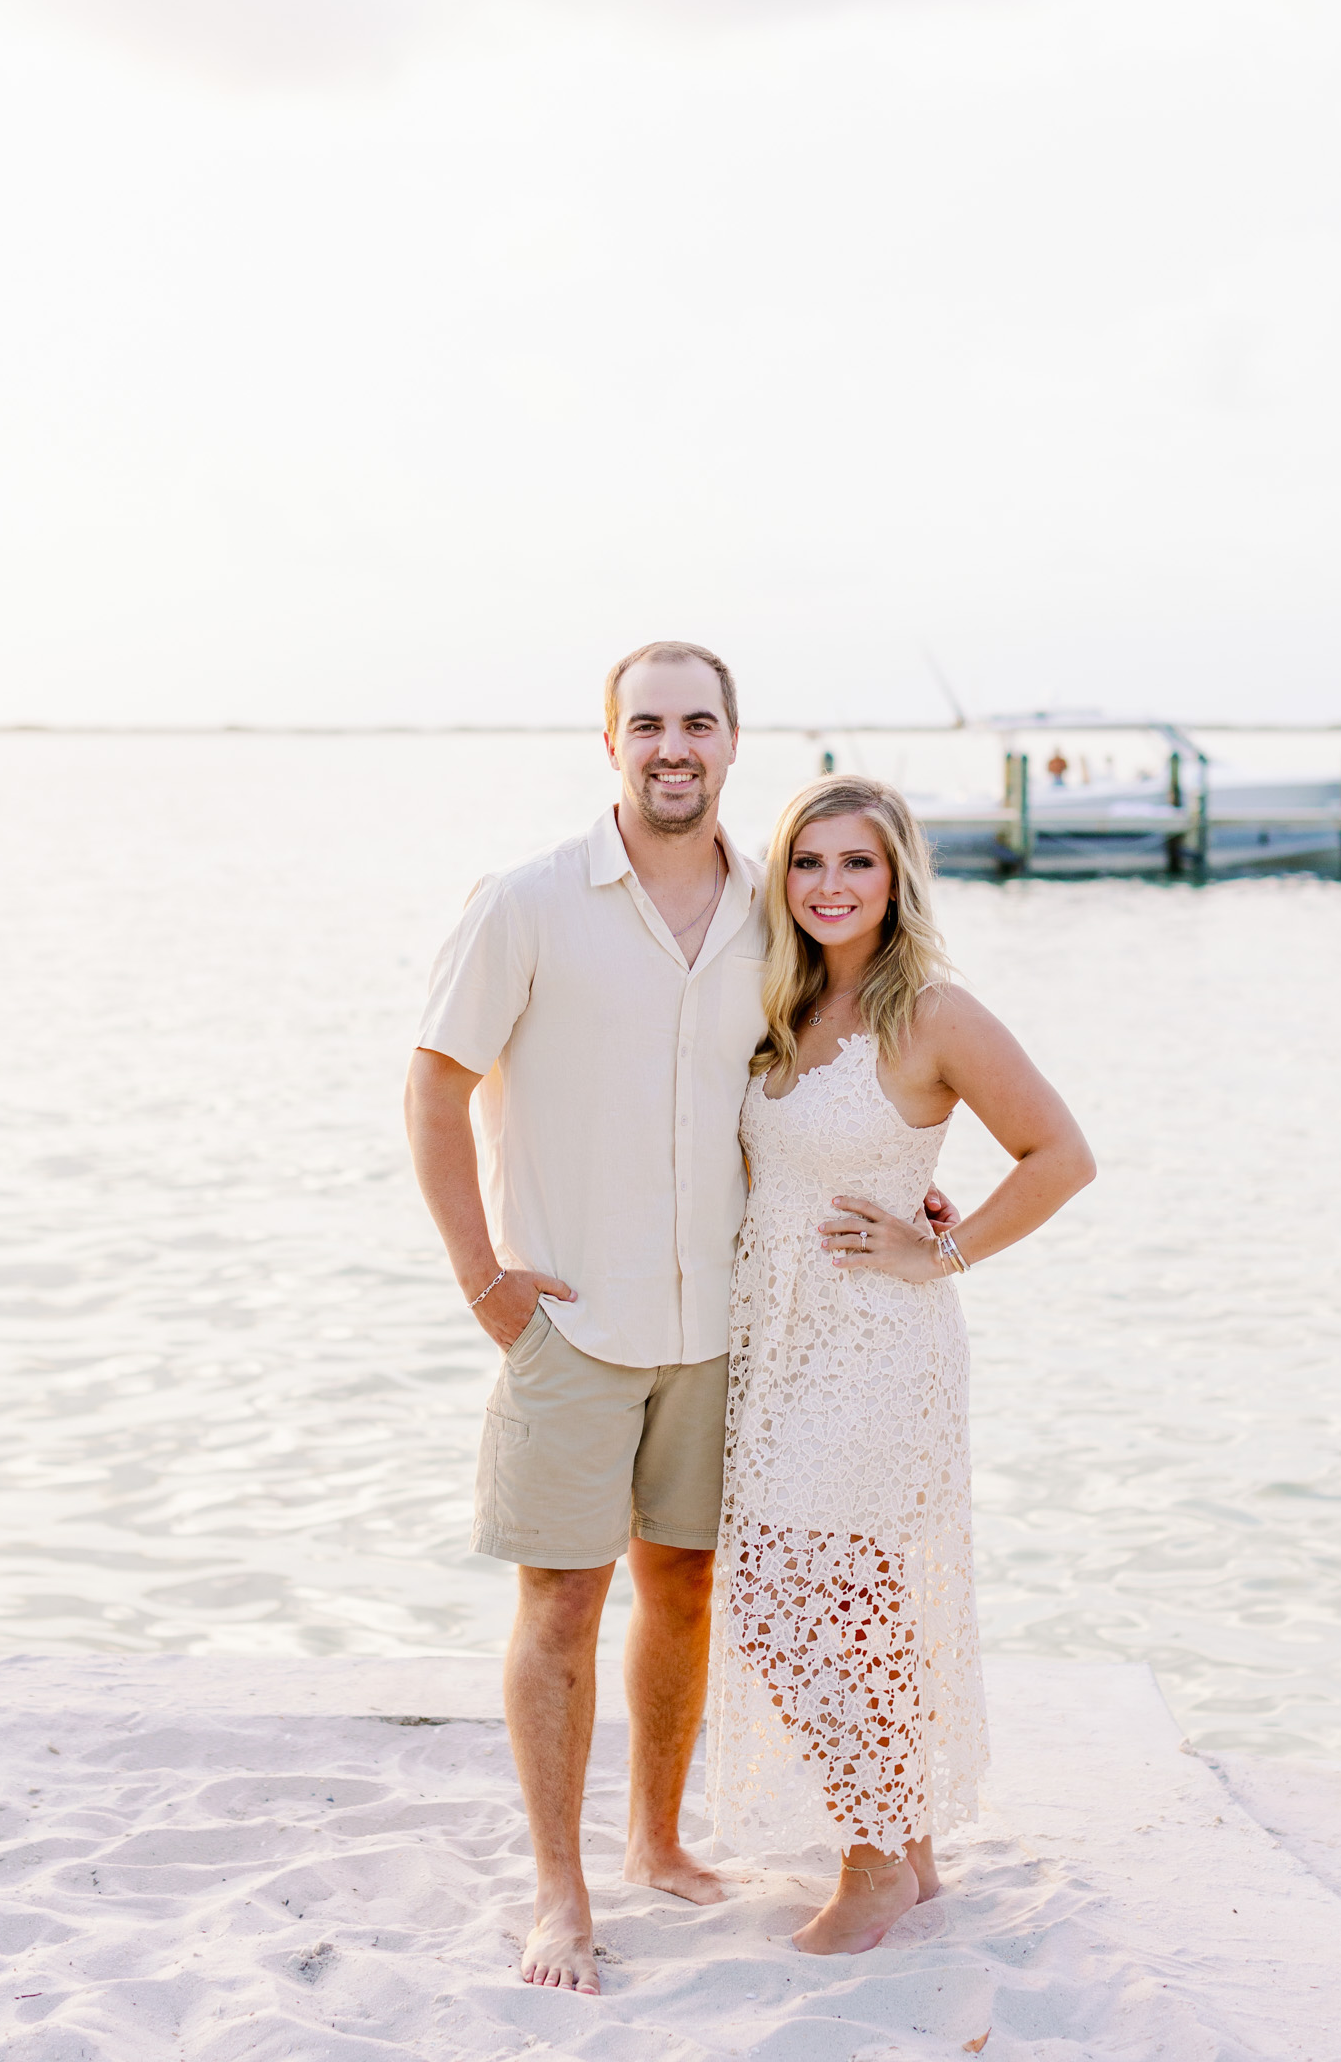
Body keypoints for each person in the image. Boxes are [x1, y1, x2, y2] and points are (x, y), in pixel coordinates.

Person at [403, 641, 771, 1995]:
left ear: (733, 740)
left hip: (720, 1322)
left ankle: (654, 1839)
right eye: (648, 726)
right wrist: (483, 1282)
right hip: (566, 1319)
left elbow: (825, 1074)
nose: (673, 748)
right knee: (559, 1599)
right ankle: (557, 1890)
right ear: (608, 742)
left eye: (698, 724)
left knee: (684, 1585)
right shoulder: (527, 903)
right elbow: (433, 1091)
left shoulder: (771, 912)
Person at [705, 775, 1095, 1954]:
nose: (830, 885)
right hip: (782, 1340)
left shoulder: (932, 1010)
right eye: (809, 862)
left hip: (878, 1341)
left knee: (789, 1592)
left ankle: (870, 1863)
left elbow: (1060, 1154)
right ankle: (906, 1841)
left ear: (896, 877)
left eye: (857, 863)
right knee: (848, 1597)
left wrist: (944, 1250)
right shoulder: (779, 1001)